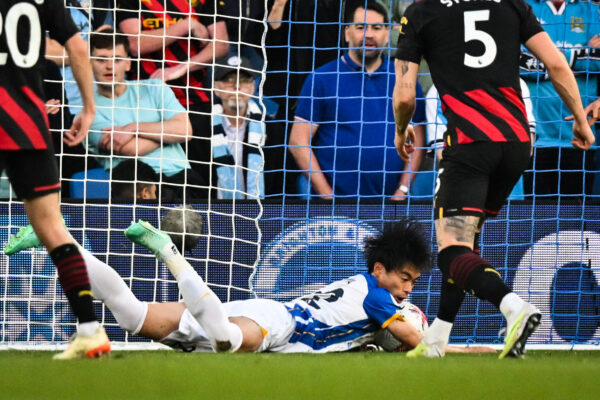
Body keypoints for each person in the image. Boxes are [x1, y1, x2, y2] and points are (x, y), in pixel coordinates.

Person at [393, 0, 595, 358]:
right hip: (518, 143)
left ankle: (513, 306)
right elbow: (556, 63)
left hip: (470, 144)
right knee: (466, 243)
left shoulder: (420, 12)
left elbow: (406, 94)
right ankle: (436, 340)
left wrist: (401, 128)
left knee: (451, 249)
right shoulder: (512, 4)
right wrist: (579, 118)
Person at [6, 218, 492, 354]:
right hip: (277, 326)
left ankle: (55, 240)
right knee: (227, 343)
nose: (408, 290)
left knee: (132, 317)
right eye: (405, 279)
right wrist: (476, 350)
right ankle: (173, 255)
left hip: (264, 309)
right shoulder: (379, 296)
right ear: (382, 269)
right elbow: (419, 344)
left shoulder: (365, 285)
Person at [0, 0, 110, 359]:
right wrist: (89, 109)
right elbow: (77, 47)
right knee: (53, 228)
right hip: (29, 123)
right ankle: (91, 330)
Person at [289, 1, 425, 200]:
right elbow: (298, 141)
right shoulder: (322, 78)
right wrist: (327, 196)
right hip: (334, 210)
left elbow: (417, 140)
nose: (368, 34)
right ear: (347, 33)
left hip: (390, 206)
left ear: (387, 34)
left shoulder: (405, 79)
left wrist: (401, 192)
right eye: (361, 27)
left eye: (377, 28)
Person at [115, 0, 230, 181]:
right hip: (147, 105)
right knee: (154, 179)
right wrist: (187, 25)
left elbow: (221, 43)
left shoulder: (202, 2)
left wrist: (182, 67)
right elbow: (134, 44)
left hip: (194, 101)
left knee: (201, 180)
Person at [87, 29, 207, 200]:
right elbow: (132, 149)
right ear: (89, 63)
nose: (109, 66)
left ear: (128, 64)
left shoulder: (154, 88)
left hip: (182, 178)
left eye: (117, 59)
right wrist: (166, 133)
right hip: (134, 186)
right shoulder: (88, 109)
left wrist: (131, 129)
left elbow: (185, 130)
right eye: (101, 59)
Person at [520, 0, 600, 197]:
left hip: (579, 138)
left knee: (575, 221)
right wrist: (581, 56)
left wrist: (549, 60)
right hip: (533, 138)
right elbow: (516, 61)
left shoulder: (592, 11)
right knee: (532, 219)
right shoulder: (524, 7)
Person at [211, 56, 265, 199]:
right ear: (216, 88)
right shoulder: (200, 129)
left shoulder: (272, 130)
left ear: (253, 87)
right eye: (229, 80)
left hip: (260, 212)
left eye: (244, 80)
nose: (236, 86)